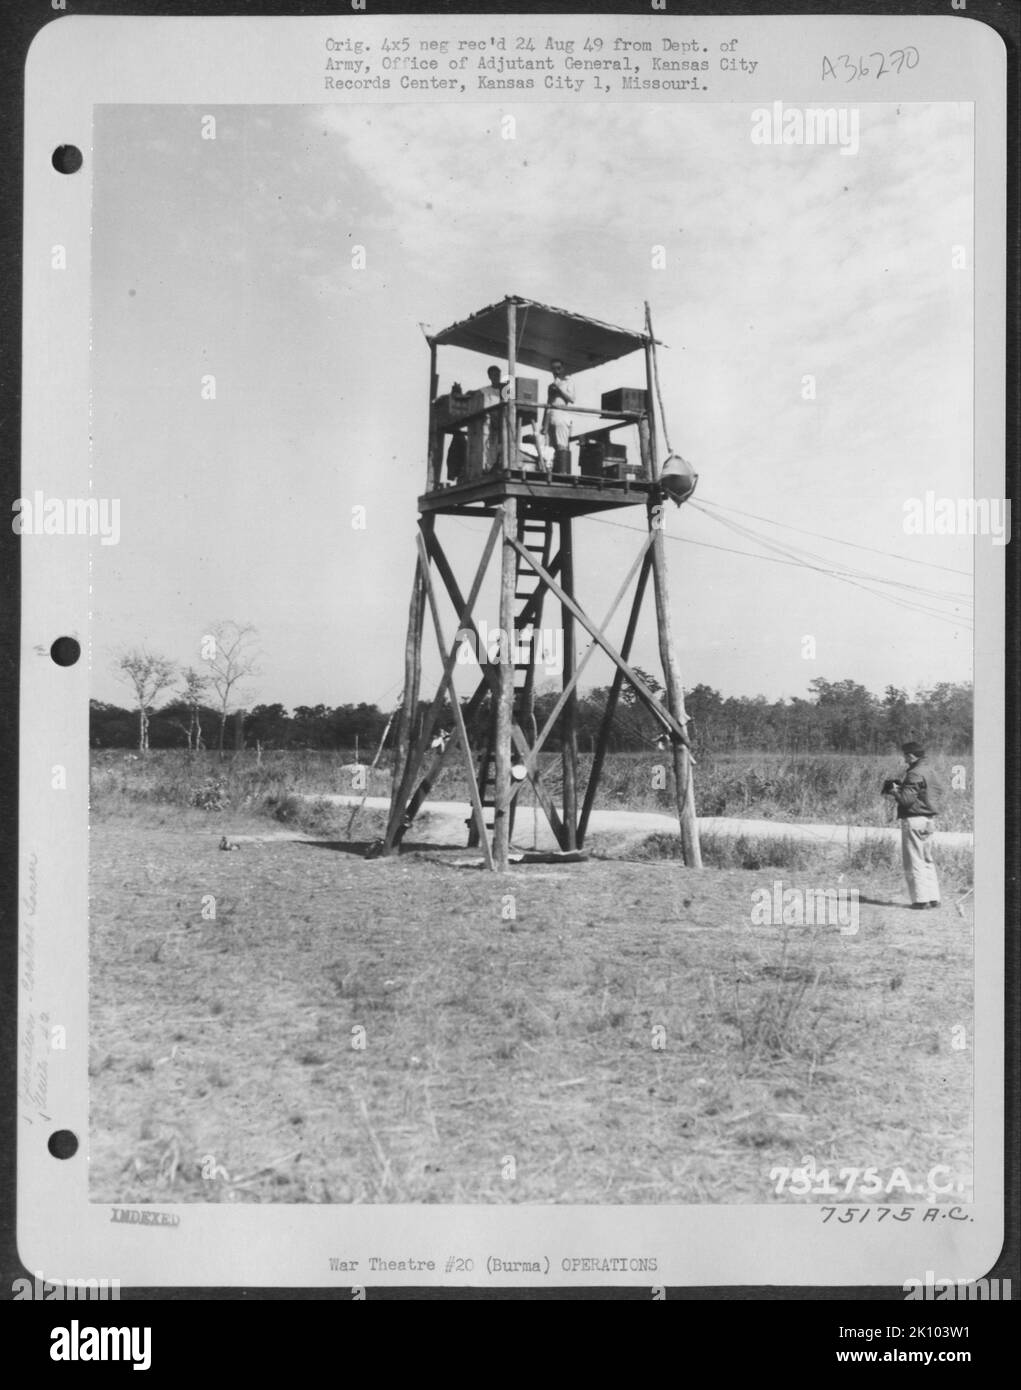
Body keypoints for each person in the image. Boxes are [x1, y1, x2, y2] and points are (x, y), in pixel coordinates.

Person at [882, 741, 943, 908]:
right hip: (928, 820)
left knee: (914, 860)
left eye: (905, 756)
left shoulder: (914, 773)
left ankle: (920, 900)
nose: (904, 759)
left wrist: (895, 790)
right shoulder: (930, 770)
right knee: (927, 859)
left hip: (914, 819)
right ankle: (933, 898)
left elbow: (906, 800)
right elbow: (932, 791)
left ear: (911, 755)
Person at [542, 358, 575, 473]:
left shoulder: (568, 382)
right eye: (553, 369)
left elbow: (572, 399)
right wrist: (543, 423)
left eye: (558, 368)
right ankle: (552, 471)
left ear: (563, 369)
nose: (556, 371)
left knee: (562, 445)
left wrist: (559, 389)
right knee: (550, 447)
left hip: (561, 415)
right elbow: (548, 403)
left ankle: (563, 471)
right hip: (551, 416)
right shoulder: (551, 386)